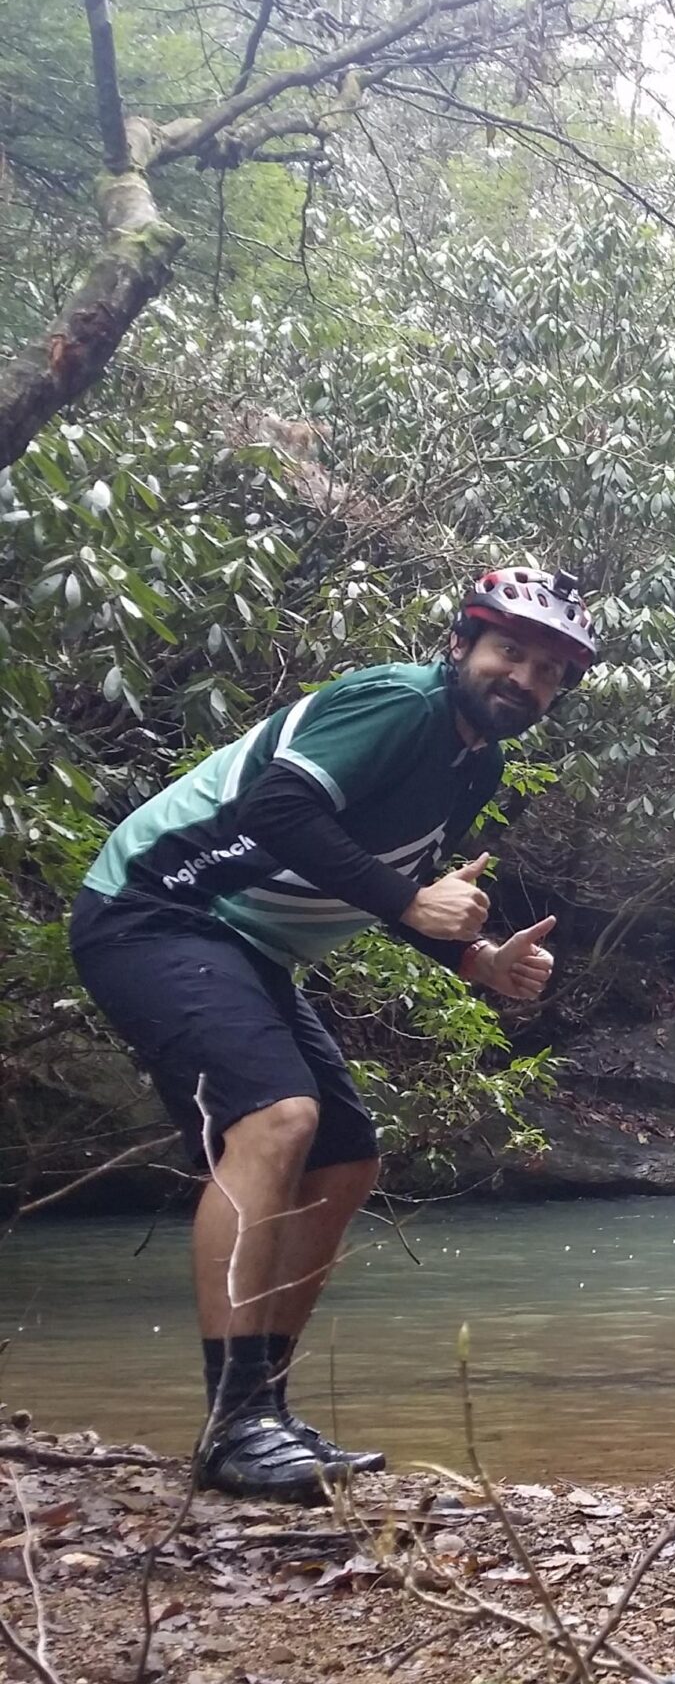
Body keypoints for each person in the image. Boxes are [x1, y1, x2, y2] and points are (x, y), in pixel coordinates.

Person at [70, 568, 594, 1501]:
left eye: (548, 670)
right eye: (510, 651)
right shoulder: (397, 704)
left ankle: (263, 1406)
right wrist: (410, 898)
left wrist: (475, 959)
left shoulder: (478, 763)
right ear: (463, 645)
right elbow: (275, 809)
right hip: (158, 908)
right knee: (277, 1119)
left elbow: (390, 877)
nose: (524, 677)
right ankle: (232, 1423)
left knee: (347, 1157)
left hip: (248, 947)